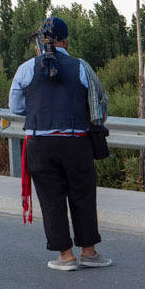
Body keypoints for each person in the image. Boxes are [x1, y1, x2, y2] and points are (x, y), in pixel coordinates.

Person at [9, 16, 112, 271]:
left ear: (39, 42)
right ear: (65, 40)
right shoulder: (81, 67)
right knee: (83, 196)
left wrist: (39, 111)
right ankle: (89, 251)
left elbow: (16, 107)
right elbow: (100, 103)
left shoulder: (25, 69)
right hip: (76, 143)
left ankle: (66, 257)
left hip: (40, 144)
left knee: (51, 200)